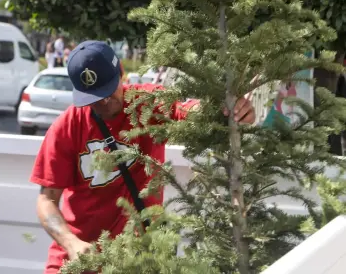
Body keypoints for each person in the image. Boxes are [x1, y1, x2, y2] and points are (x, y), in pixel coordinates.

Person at [29, 40, 256, 274]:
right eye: (94, 97)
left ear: (122, 74)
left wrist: (230, 110)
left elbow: (190, 111)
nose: (104, 101)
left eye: (108, 91)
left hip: (139, 260)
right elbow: (47, 200)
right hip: (80, 262)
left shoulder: (148, 103)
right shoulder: (66, 127)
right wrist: (71, 242)